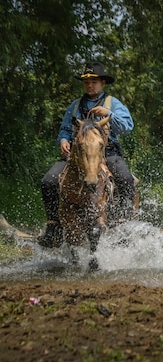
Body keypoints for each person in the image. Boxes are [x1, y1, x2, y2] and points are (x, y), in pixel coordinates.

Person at [38, 62, 135, 247]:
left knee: (125, 179)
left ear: (102, 83)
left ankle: (125, 224)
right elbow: (65, 129)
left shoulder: (112, 103)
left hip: (108, 153)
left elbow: (127, 127)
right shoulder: (75, 106)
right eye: (87, 82)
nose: (90, 85)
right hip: (78, 154)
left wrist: (109, 114)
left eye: (94, 81)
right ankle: (54, 226)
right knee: (48, 181)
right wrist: (64, 141)